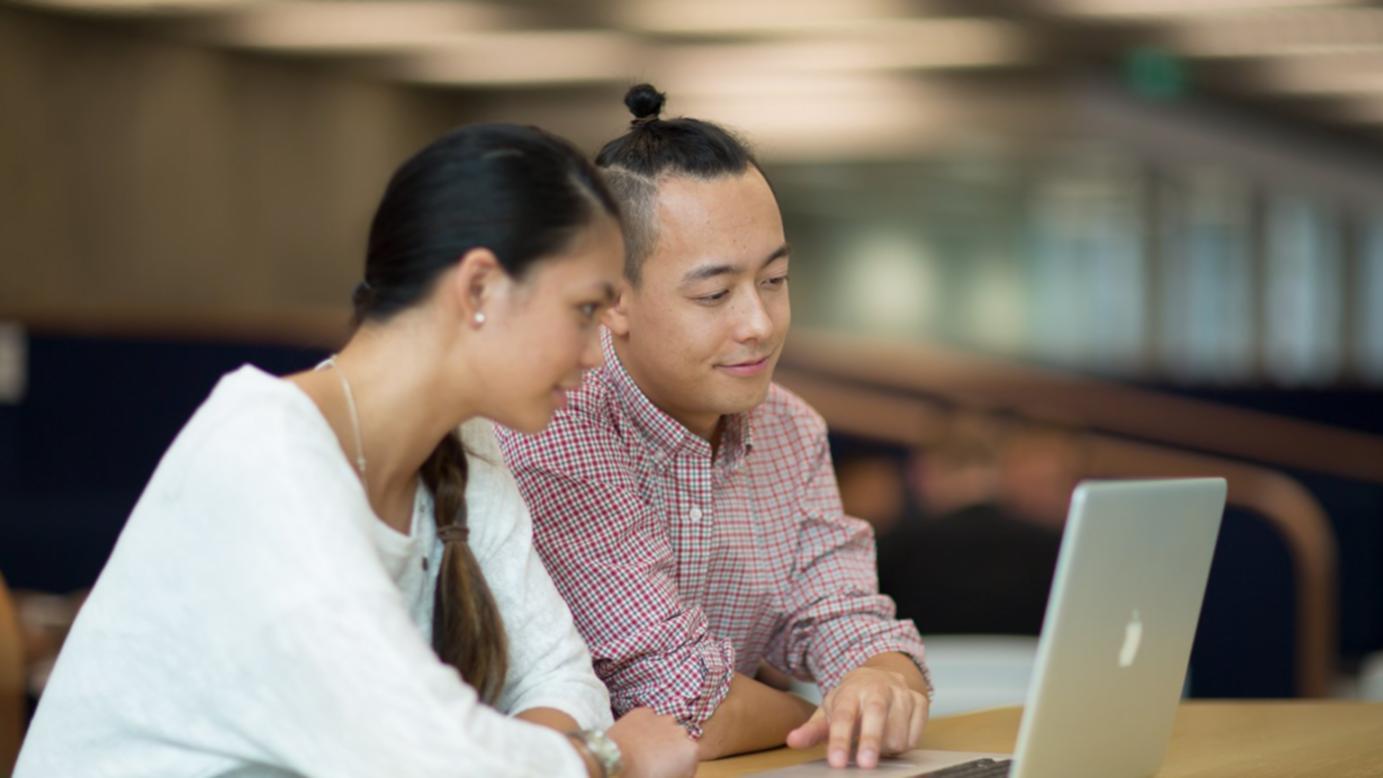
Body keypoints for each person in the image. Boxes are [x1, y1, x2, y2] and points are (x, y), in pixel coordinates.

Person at [15, 124, 696, 778]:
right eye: (584, 311)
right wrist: (606, 759)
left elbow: (558, 676)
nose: (591, 355)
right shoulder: (261, 451)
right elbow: (412, 756)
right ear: (479, 287)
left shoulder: (466, 441)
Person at [497, 86, 931, 770]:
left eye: (775, 280)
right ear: (611, 298)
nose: (758, 324)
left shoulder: (790, 428)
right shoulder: (554, 425)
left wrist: (881, 682)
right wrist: (823, 716)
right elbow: (681, 704)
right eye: (714, 294)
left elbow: (845, 614)